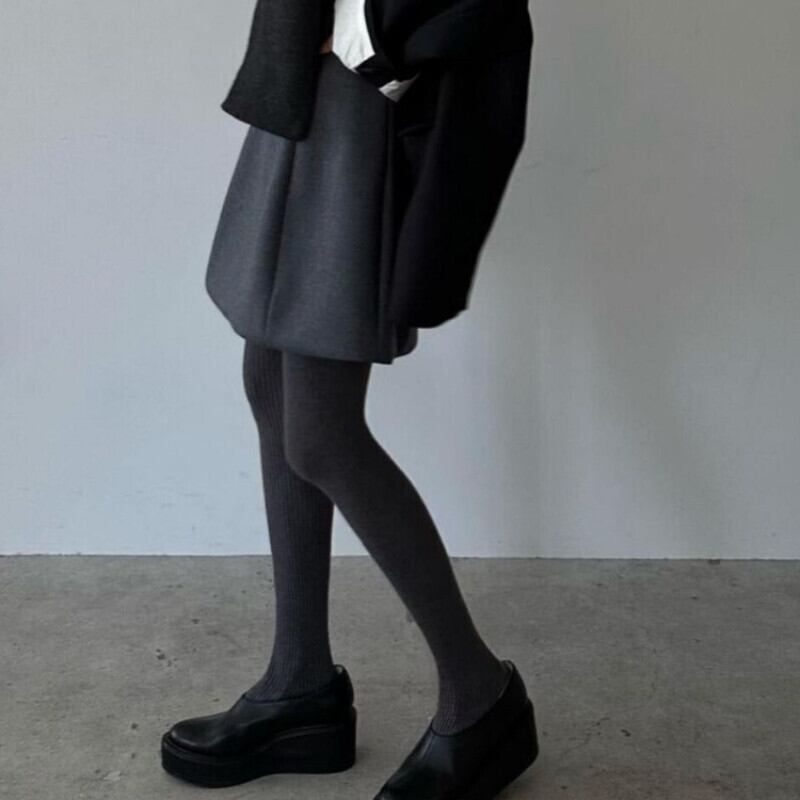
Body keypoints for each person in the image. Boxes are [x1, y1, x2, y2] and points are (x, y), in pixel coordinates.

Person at [160, 1, 538, 797]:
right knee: (271, 379)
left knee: (322, 435)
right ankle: (299, 683)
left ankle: (480, 694)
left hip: (361, 104)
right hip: (308, 86)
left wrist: (369, 38)